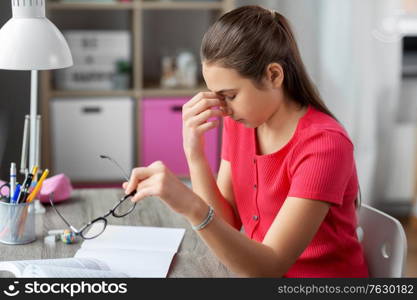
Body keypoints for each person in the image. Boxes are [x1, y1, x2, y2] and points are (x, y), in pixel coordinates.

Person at [123, 5, 369, 277]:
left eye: (230, 95)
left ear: (274, 75)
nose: (224, 108)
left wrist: (191, 206)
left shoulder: (324, 145)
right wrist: (194, 153)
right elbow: (226, 221)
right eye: (217, 96)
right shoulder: (241, 124)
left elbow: (269, 267)